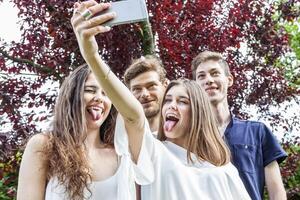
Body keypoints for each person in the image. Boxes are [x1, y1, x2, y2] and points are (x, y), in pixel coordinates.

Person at [70, 1, 250, 200]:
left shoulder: (225, 172)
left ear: (199, 112)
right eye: (169, 101)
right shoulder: (155, 152)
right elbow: (134, 117)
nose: (171, 105)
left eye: (182, 101)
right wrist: (92, 55)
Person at [17, 64, 136, 200]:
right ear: (72, 95)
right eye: (91, 90)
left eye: (105, 93)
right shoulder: (45, 145)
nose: (99, 98)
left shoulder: (120, 153)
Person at [191, 50, 288, 200]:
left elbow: (277, 193)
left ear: (229, 80)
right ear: (196, 87)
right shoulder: (189, 137)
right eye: (201, 76)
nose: (208, 80)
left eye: (215, 73)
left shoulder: (257, 131)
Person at [124, 55, 168, 133]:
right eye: (137, 89)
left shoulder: (185, 135)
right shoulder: (121, 139)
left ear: (165, 86)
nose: (145, 94)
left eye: (151, 86)